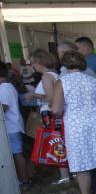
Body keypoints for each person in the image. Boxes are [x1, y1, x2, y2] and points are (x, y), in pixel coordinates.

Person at [50, 50, 96, 194]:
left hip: (75, 125)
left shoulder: (62, 82)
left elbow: (56, 109)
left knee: (81, 164)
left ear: (65, 64)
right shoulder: (93, 81)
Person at [30, 48, 69, 186]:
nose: (32, 66)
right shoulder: (55, 74)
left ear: (39, 62)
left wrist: (34, 95)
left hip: (50, 112)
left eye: (32, 63)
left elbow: (51, 97)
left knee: (56, 142)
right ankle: (68, 172)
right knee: (60, 141)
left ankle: (64, 175)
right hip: (58, 112)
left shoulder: (46, 76)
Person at [0, 63, 31, 188]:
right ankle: (22, 179)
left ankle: (24, 180)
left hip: (11, 127)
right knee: (16, 154)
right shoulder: (7, 86)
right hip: (13, 125)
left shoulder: (3, 88)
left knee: (17, 154)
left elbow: (3, 108)